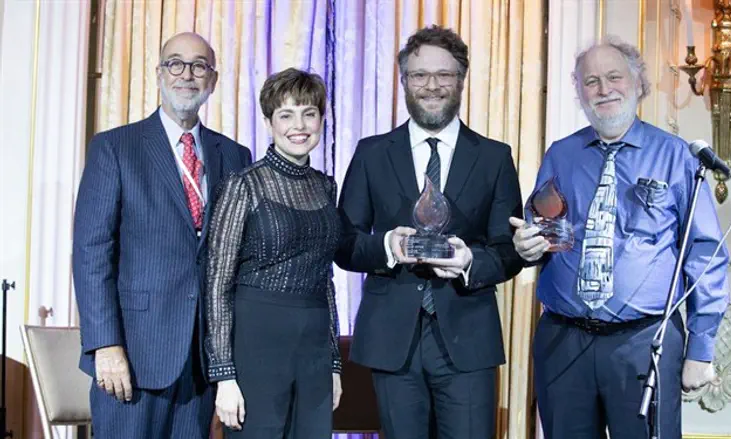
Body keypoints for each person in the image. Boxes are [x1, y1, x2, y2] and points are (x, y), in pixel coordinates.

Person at [511, 36, 729, 438]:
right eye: (590, 81)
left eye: (614, 77)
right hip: (563, 342)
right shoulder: (561, 154)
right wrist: (526, 246)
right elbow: (539, 225)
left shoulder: (676, 156)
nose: (603, 89)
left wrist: (700, 348)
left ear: (639, 84)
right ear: (579, 93)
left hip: (645, 343)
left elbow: (705, 254)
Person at [335, 25, 527, 439]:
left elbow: (508, 251)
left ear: (462, 79)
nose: (432, 86)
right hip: (392, 341)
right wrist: (388, 246)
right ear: (404, 81)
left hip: (468, 340)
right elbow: (344, 243)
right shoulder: (371, 153)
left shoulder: (495, 158)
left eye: (445, 74)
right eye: (420, 75)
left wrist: (470, 261)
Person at [73, 32, 253, 438]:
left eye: (198, 66)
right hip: (132, 357)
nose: (186, 74)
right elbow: (91, 253)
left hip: (201, 362)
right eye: (175, 63)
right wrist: (105, 345)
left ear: (213, 79)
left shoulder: (235, 156)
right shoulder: (115, 148)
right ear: (158, 73)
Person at [204, 68, 343, 438]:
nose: (299, 125)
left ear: (320, 119)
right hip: (256, 344)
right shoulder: (243, 185)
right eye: (286, 114)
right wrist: (224, 376)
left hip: (313, 347)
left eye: (308, 113)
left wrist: (333, 363)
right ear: (269, 122)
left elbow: (325, 280)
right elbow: (218, 283)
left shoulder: (326, 186)